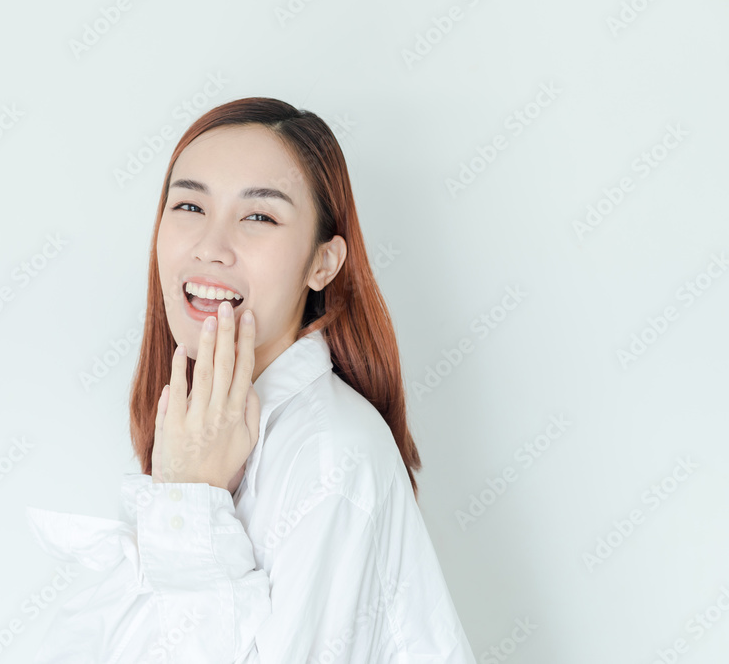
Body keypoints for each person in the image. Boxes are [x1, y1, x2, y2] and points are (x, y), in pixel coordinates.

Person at [26, 97, 477, 663]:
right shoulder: (206, 435)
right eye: (189, 206)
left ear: (323, 263)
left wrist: (193, 503)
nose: (210, 248)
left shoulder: (332, 457)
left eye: (258, 216)